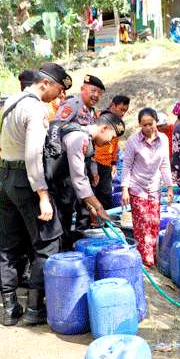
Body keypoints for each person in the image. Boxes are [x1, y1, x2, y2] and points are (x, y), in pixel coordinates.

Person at [0, 62, 72, 326]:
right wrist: (42, 195)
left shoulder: (11, 101)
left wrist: (7, 151)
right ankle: (34, 310)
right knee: (47, 243)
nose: (60, 97)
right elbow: (33, 156)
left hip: (3, 178)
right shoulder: (36, 108)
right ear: (46, 83)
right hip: (25, 182)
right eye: (59, 90)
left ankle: (9, 308)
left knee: (7, 244)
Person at [47, 112, 121, 250]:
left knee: (63, 233)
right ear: (104, 128)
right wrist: (99, 208)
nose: (110, 142)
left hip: (61, 192)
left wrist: (90, 207)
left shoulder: (86, 137)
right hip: (52, 193)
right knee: (53, 239)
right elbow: (79, 179)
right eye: (112, 136)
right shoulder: (79, 138)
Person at [120, 108, 175, 266]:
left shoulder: (163, 139)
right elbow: (127, 166)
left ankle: (150, 258)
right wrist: (124, 189)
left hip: (154, 188)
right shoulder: (133, 141)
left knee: (154, 225)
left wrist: (170, 187)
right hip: (137, 188)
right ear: (140, 125)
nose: (148, 128)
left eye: (150, 124)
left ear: (156, 122)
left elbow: (164, 165)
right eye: (144, 125)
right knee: (142, 227)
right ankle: (146, 261)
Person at [55, 75, 106, 231]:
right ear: (83, 89)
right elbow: (57, 130)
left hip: (82, 166)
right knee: (66, 208)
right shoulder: (72, 105)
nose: (96, 95)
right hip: (65, 168)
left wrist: (94, 170)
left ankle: (80, 239)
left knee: (84, 208)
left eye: (99, 93)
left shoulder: (91, 113)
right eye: (93, 90)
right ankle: (64, 247)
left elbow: (90, 145)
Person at [94, 95, 130, 210]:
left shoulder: (118, 123)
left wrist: (114, 162)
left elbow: (115, 145)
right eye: (121, 109)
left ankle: (106, 219)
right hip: (94, 160)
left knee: (106, 193)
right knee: (93, 191)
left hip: (107, 163)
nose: (123, 113)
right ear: (113, 105)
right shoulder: (99, 117)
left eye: (125, 111)